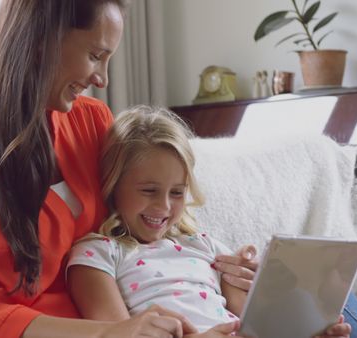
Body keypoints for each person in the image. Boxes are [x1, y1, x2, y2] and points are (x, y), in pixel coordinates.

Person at [0, 0, 357, 337]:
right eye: (95, 55)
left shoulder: (90, 124)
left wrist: (225, 273)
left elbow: (145, 224)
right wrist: (111, 331)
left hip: (154, 322)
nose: (103, 79)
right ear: (39, 40)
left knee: (331, 313)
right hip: (101, 329)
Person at [67, 106, 250, 337]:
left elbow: (250, 319)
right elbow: (115, 334)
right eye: (149, 190)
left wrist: (248, 273)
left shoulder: (204, 246)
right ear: (113, 186)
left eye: (176, 193)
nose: (163, 206)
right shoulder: (98, 254)